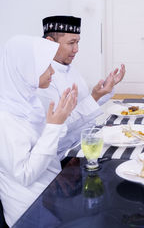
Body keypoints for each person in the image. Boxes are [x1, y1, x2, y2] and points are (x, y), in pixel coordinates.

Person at [0, 35, 77, 226]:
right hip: (30, 211)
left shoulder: (28, 100)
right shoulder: (5, 116)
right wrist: (54, 126)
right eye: (45, 66)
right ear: (25, 70)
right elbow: (25, 174)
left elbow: (45, 147)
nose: (52, 71)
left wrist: (62, 116)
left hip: (51, 194)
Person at [36, 16, 125, 159]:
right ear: (50, 43)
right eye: (71, 43)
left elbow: (84, 107)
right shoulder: (43, 79)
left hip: (87, 140)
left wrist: (103, 91)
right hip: (66, 155)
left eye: (77, 42)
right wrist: (95, 97)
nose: (76, 49)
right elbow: (58, 128)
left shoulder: (67, 68)